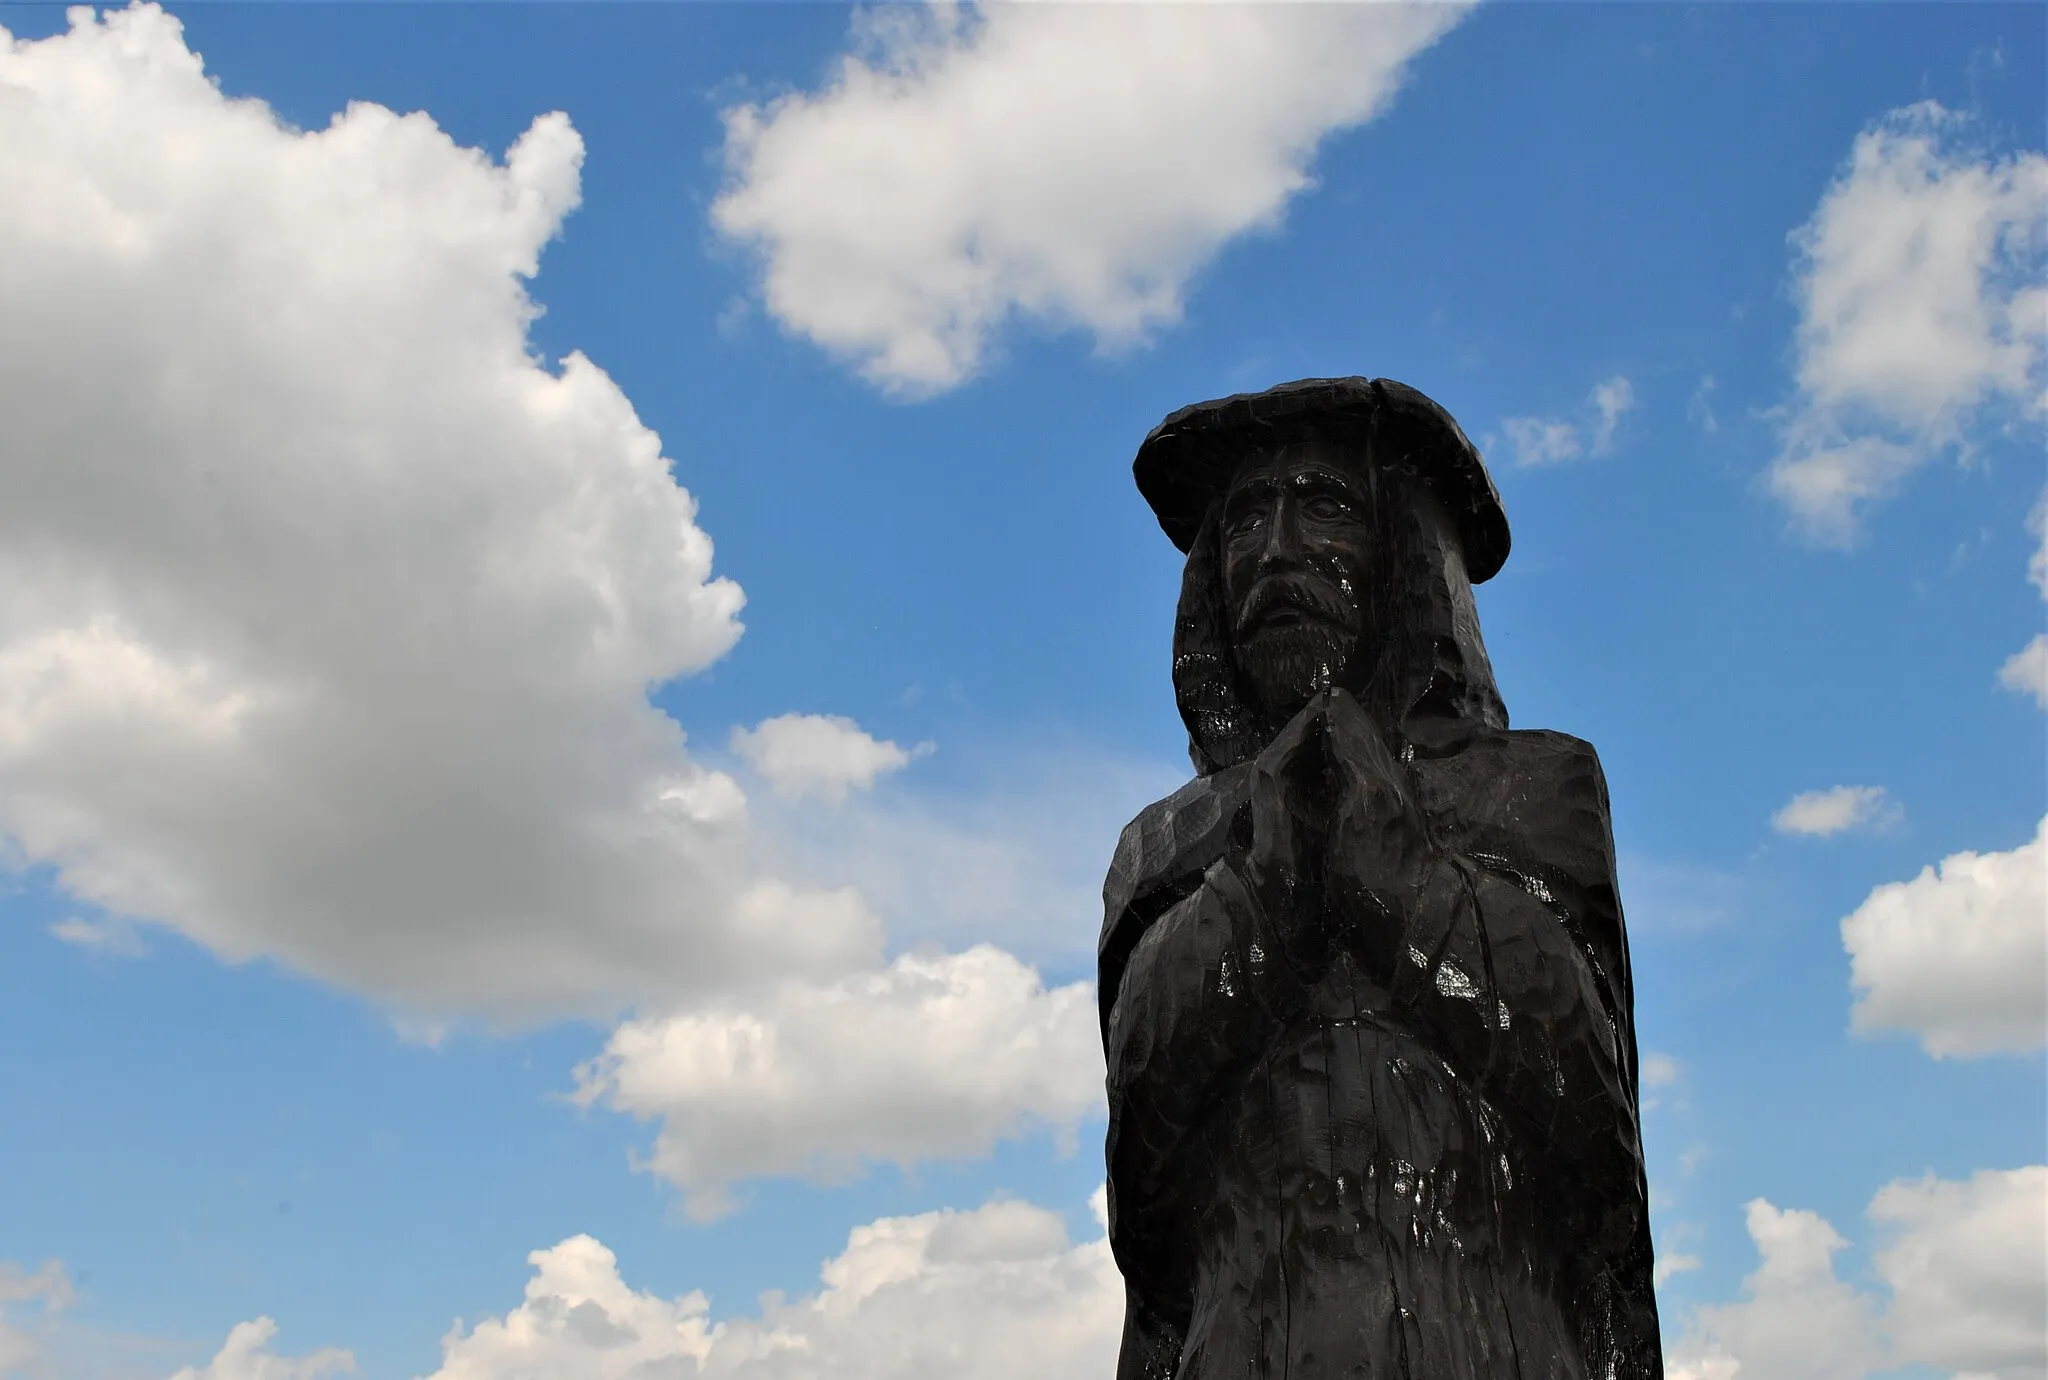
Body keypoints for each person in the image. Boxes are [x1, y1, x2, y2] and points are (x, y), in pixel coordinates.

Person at [1098, 378, 1663, 1379]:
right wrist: (1264, 881)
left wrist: (1390, 874)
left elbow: (1595, 1142)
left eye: (1324, 506)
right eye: (1239, 524)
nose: (1273, 550)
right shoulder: (1163, 841)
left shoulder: (1531, 787)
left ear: (1404, 555)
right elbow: (1143, 1177)